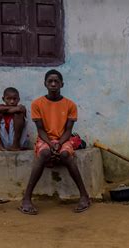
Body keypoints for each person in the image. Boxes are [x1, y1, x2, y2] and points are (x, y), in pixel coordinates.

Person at [19, 69, 90, 215]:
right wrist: (51, 144)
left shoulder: (70, 105)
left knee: (65, 155)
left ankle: (84, 196)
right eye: (50, 81)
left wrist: (59, 143)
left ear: (62, 84)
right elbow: (40, 130)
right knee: (44, 153)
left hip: (64, 139)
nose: (53, 84)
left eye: (56, 81)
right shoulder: (37, 104)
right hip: (45, 139)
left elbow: (68, 131)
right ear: (45, 84)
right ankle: (26, 199)